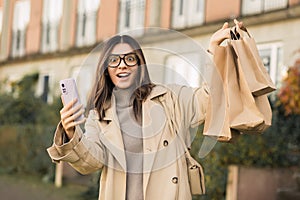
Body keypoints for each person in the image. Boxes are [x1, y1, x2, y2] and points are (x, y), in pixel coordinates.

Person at [47, 21, 238, 200]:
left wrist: (214, 51)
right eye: (114, 60)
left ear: (140, 65)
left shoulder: (169, 98)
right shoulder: (99, 116)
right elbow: (91, 162)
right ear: (106, 68)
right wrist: (71, 132)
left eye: (130, 58)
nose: (122, 64)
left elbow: (209, 98)